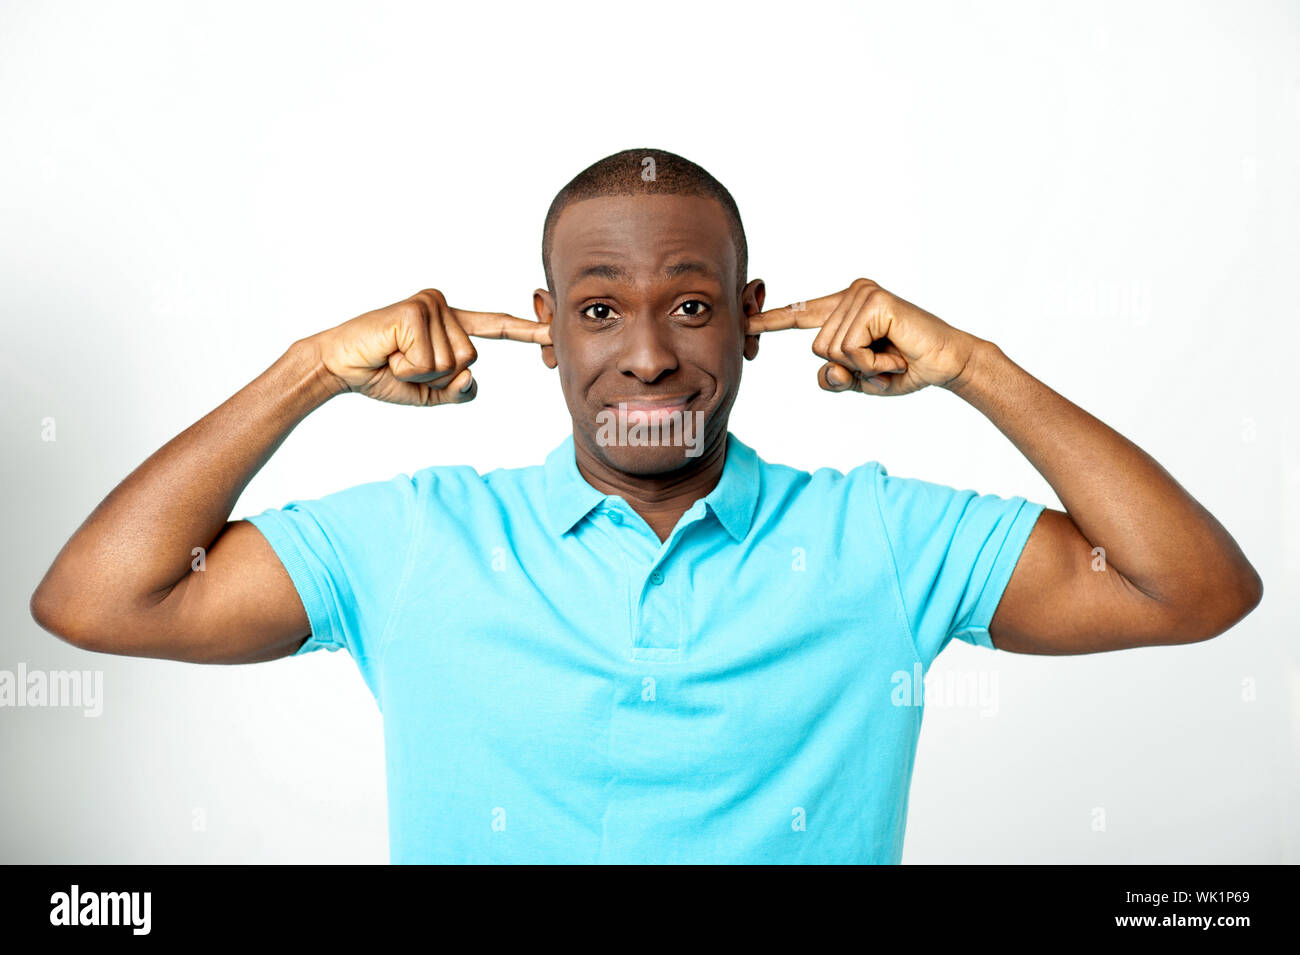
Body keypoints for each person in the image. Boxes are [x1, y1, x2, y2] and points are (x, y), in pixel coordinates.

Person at [30, 147, 1263, 863]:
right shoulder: (418, 538)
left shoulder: (882, 539)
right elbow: (96, 599)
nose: (649, 357)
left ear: (749, 317)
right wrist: (306, 370)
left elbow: (1193, 587)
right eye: (599, 310)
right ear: (547, 332)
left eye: (689, 303)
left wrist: (973, 367)